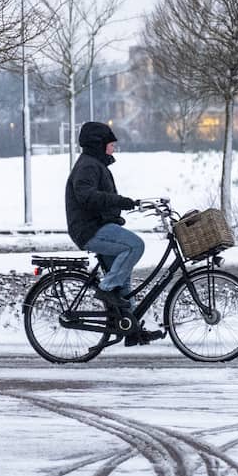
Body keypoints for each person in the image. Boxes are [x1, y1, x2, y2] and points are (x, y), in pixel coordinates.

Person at [64, 121, 164, 345]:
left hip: (98, 225)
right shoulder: (88, 166)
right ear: (98, 144)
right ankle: (106, 288)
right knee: (135, 245)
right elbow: (86, 196)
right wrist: (120, 201)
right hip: (89, 229)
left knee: (123, 282)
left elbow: (100, 199)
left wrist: (129, 205)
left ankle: (131, 330)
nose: (114, 147)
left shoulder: (96, 164)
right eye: (110, 143)